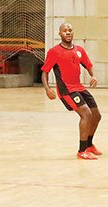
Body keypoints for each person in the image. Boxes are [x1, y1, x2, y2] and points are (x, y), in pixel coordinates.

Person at [41, 23, 103, 160]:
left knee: (97, 115)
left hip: (79, 87)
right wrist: (47, 89)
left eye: (70, 30)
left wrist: (93, 76)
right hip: (66, 90)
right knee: (86, 114)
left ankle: (89, 144)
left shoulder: (79, 50)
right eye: (65, 31)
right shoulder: (54, 51)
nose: (68, 33)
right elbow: (44, 72)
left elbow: (88, 65)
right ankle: (82, 151)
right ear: (60, 34)